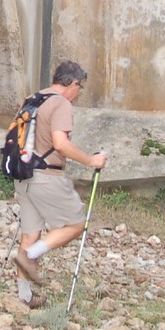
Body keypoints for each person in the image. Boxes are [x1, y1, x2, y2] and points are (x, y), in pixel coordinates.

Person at [12, 60, 107, 306]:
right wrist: (91, 160)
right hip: (47, 177)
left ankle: (24, 296)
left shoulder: (32, 99)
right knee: (76, 225)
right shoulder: (61, 103)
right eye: (80, 87)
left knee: (30, 234)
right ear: (72, 83)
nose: (78, 93)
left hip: (23, 175)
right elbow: (60, 144)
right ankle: (30, 256)